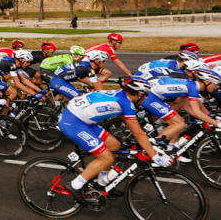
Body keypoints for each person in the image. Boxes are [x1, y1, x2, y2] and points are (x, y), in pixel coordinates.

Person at [58, 76, 172, 205]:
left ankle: (101, 183)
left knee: (114, 144)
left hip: (83, 120)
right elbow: (138, 134)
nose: (145, 98)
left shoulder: (121, 95)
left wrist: (148, 142)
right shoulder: (126, 103)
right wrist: (155, 156)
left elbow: (135, 128)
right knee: (106, 158)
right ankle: (75, 186)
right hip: (73, 122)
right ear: (139, 93)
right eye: (144, 95)